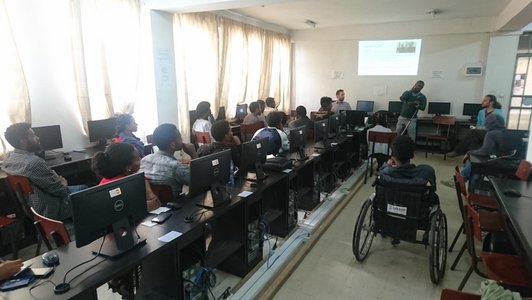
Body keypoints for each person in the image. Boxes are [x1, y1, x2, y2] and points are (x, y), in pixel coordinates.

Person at [2, 123, 86, 220]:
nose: (37, 138)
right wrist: (63, 183)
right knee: (85, 190)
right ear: (23, 141)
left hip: (32, 205)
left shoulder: (8, 158)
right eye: (32, 135)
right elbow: (61, 191)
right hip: (49, 210)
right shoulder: (34, 163)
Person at [379, 135, 438, 245]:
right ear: (411, 154)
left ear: (393, 156)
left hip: (389, 211)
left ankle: (393, 232)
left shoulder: (386, 172)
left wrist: (388, 165)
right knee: (435, 198)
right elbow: (432, 190)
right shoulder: (425, 171)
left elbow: (381, 171)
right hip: (415, 215)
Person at [441, 114, 512, 190]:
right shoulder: (506, 132)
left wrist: (469, 152)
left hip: (495, 164)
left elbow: (485, 151)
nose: (485, 123)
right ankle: (463, 181)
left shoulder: (491, 134)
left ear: (490, 123)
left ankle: (459, 182)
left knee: (474, 163)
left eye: (486, 121)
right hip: (506, 162)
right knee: (474, 155)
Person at [92, 142, 161, 211]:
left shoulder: (109, 178)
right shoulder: (125, 186)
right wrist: (151, 197)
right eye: (137, 159)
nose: (141, 160)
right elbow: (155, 205)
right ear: (128, 167)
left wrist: (149, 192)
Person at [140, 124, 197, 198]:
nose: (182, 140)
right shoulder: (176, 166)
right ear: (172, 145)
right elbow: (200, 181)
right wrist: (194, 155)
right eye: (180, 137)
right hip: (174, 205)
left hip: (153, 206)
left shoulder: (144, 160)